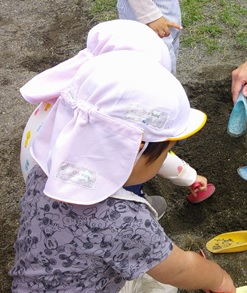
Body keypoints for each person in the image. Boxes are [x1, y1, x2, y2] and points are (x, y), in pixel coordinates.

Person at [7, 51, 236, 293]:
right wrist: (218, 277)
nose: (164, 160)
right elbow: (182, 268)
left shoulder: (43, 172)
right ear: (134, 151)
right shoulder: (125, 220)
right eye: (165, 152)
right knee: (163, 277)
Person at [19, 20, 211, 219]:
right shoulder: (113, 128)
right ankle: (136, 202)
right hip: (86, 196)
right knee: (139, 166)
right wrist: (190, 177)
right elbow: (144, 151)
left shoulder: (74, 99)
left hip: (41, 181)